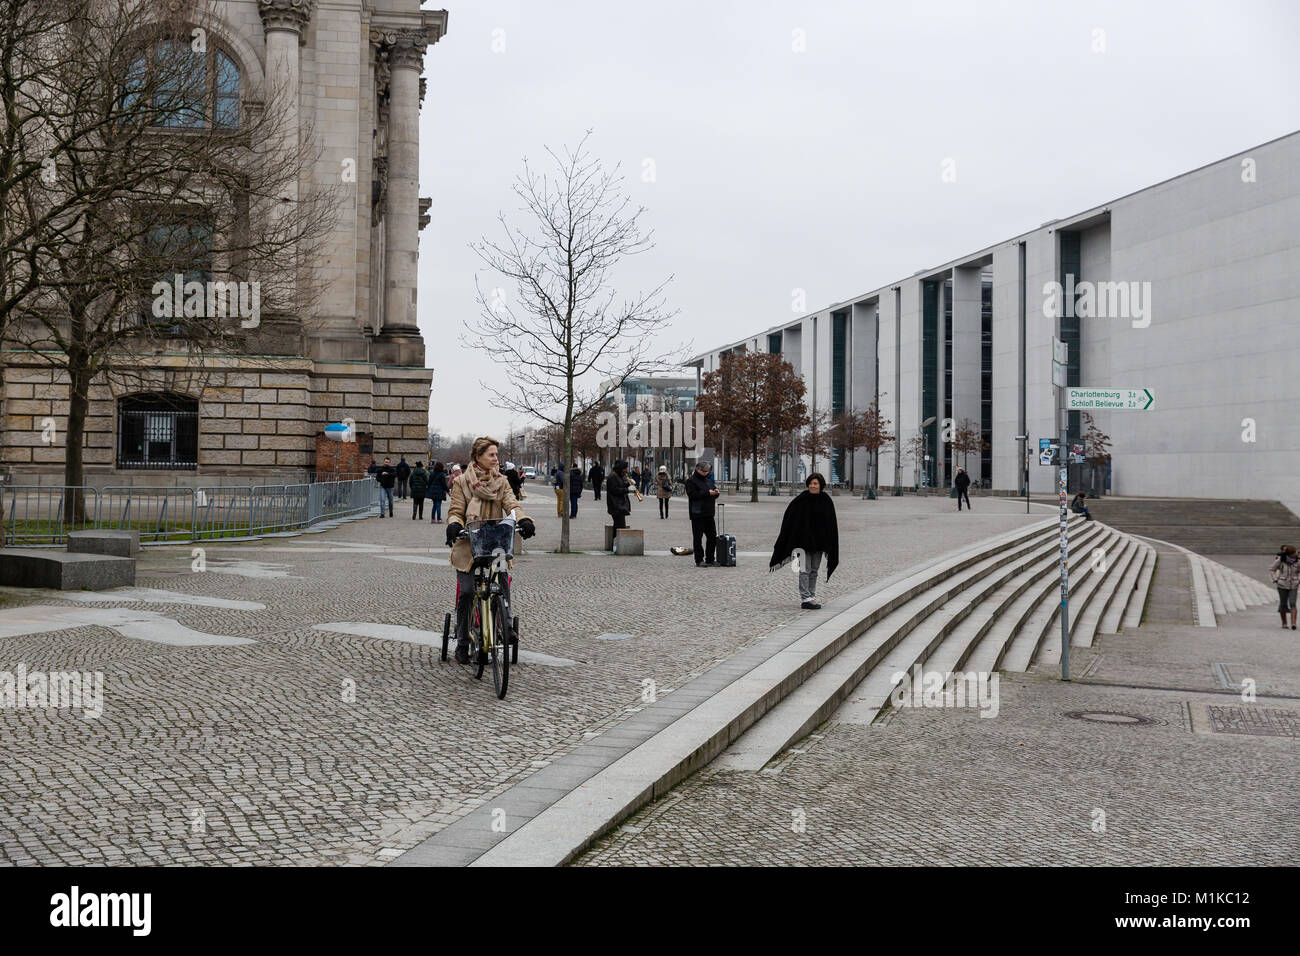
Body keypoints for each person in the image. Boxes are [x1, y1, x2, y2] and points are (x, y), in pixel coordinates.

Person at [445, 436, 536, 664]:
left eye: (497, 454)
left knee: (502, 578)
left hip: (495, 542)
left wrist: (524, 519)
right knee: (466, 591)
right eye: (492, 455)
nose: (496, 459)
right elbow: (456, 510)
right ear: (478, 457)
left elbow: (512, 505)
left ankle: (504, 624)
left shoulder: (502, 482)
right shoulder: (462, 482)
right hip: (469, 542)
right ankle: (463, 642)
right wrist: (454, 524)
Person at [769, 472, 840, 610]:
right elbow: (790, 519)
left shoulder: (826, 500)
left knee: (814, 570)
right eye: (811, 483)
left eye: (815, 484)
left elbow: (831, 523)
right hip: (802, 542)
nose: (813, 486)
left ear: (821, 485)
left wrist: (829, 541)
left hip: (819, 543)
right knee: (804, 570)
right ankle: (805, 598)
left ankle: (811, 596)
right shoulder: (801, 500)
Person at [686, 459, 720, 566]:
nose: (706, 473)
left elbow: (712, 491)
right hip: (697, 513)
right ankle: (699, 560)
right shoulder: (691, 481)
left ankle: (710, 559)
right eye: (704, 471)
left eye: (707, 471)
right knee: (698, 538)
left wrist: (716, 493)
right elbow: (692, 495)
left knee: (712, 537)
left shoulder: (708, 480)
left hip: (709, 513)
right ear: (698, 469)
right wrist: (707, 493)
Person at [1269, 545, 1299, 630]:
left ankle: (1293, 623)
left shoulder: (1298, 561)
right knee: (1283, 604)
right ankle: (1284, 623)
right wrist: (1275, 579)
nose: (1296, 554)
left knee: (1293, 603)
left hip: (1294, 585)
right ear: (1289, 554)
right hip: (1282, 584)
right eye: (1294, 553)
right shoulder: (1280, 560)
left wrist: (1298, 579)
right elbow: (1271, 569)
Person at [606, 459, 633, 532]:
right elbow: (614, 490)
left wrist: (628, 484)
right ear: (620, 468)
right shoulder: (613, 476)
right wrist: (627, 490)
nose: (626, 470)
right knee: (620, 527)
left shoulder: (617, 475)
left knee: (618, 526)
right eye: (625, 468)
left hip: (619, 505)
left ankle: (615, 541)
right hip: (616, 505)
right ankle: (616, 542)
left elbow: (620, 485)